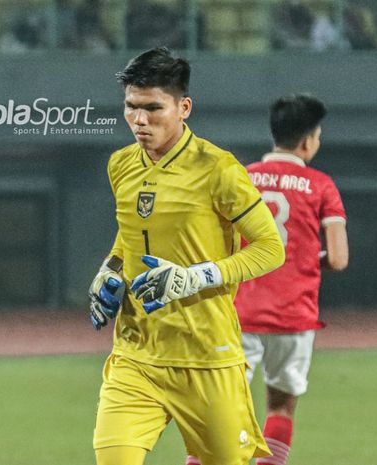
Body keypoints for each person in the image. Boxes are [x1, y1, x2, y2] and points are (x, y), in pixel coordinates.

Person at [88, 47, 285, 465]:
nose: (139, 121)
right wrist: (110, 271)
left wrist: (198, 276)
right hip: (135, 356)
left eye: (152, 108)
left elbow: (271, 249)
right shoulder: (120, 165)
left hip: (206, 357)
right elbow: (129, 239)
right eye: (130, 108)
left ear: (184, 107)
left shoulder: (219, 170)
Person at [186, 94, 349, 465]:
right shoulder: (322, 186)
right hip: (293, 317)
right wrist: (306, 261)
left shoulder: (239, 177)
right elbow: (338, 259)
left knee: (218, 410)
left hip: (236, 314)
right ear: (308, 141)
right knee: (280, 408)